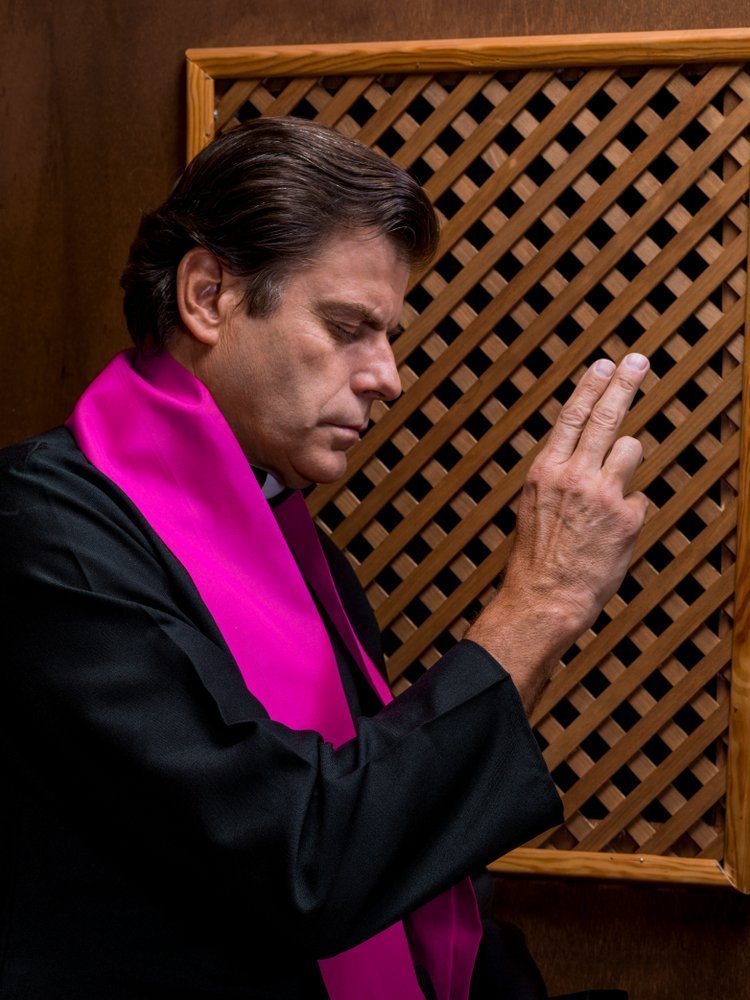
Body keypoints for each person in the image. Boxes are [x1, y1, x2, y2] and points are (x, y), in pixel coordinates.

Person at [0, 117, 647, 1000]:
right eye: (348, 326)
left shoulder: (290, 536)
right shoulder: (41, 531)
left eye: (387, 335)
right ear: (208, 297)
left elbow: (383, 815)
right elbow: (301, 858)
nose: (388, 374)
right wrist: (543, 604)